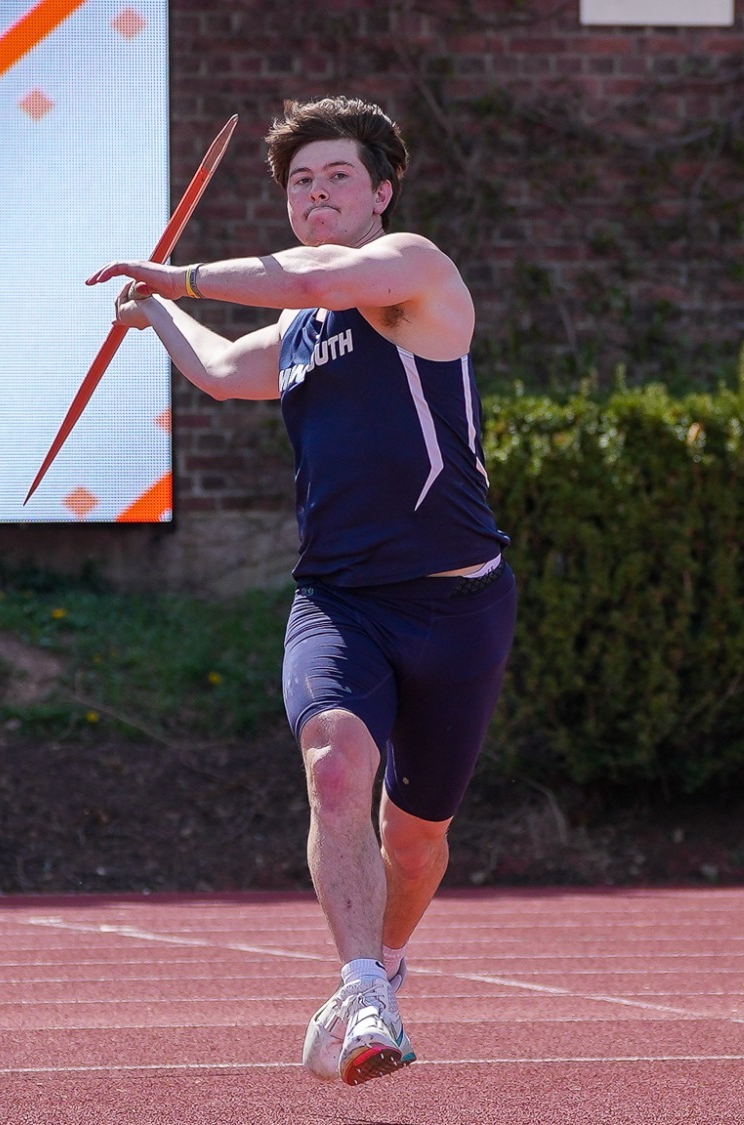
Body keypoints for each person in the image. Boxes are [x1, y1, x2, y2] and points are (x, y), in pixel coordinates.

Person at [85, 96, 517, 1087]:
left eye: (333, 178)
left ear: (379, 192)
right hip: (339, 601)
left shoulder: (410, 272)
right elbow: (225, 370)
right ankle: (361, 985)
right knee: (332, 768)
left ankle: (390, 961)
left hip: (457, 604)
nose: (314, 195)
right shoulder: (297, 326)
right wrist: (159, 316)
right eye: (297, 184)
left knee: (414, 843)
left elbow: (322, 274)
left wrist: (178, 272)